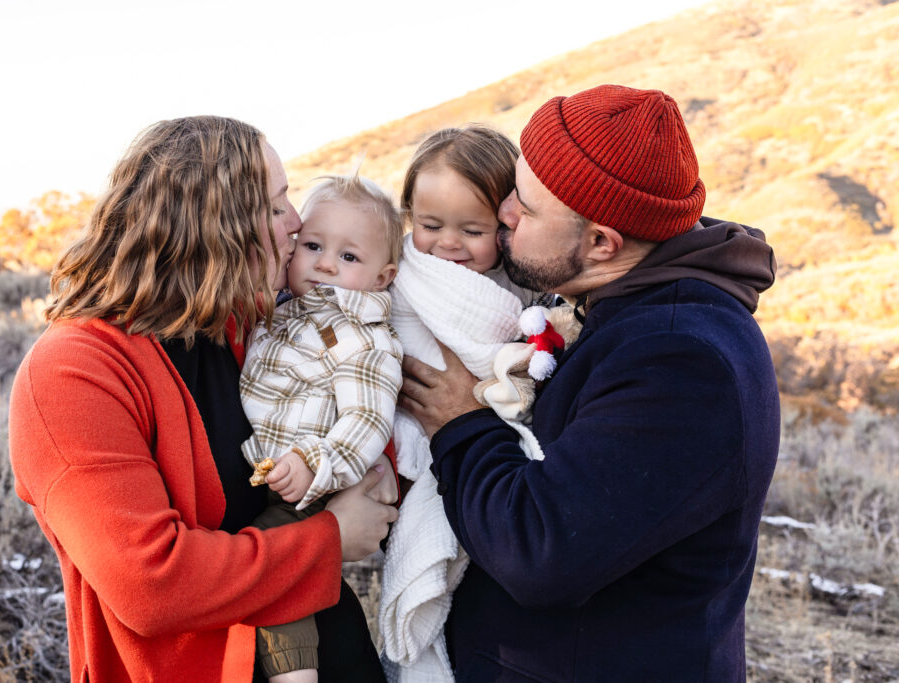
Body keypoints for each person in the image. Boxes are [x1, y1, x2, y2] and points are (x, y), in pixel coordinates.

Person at [398, 85, 780, 681]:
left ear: (602, 242)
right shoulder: (610, 304)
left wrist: (458, 425)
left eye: (524, 206)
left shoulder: (681, 360)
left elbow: (540, 550)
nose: (503, 214)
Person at [8, 116, 398, 683]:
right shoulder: (74, 374)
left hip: (328, 652)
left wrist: (377, 468)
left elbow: (350, 389)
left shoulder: (249, 324)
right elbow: (152, 584)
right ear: (209, 228)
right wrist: (330, 538)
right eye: (274, 206)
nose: (295, 223)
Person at [378, 125, 564, 682]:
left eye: (472, 230)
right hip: (411, 448)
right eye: (430, 226)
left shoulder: (528, 284)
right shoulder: (403, 276)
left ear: (508, 224)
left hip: (486, 458)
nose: (448, 245)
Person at [239, 173, 405, 683]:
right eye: (313, 245)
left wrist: (315, 462)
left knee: (276, 560)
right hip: (273, 469)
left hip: (311, 482)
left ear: (383, 276)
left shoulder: (360, 338)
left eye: (349, 257)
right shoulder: (282, 314)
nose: (326, 263)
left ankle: (296, 673)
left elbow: (366, 419)